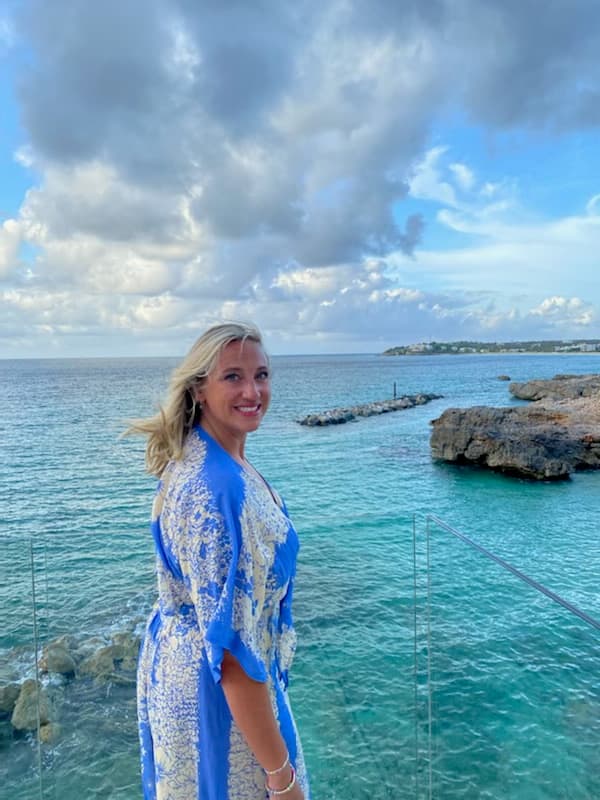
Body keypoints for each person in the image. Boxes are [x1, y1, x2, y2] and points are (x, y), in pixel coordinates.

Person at [127, 321, 309, 800]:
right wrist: (281, 777)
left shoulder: (199, 455)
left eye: (262, 375)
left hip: (177, 670)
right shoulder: (219, 487)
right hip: (217, 699)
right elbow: (229, 651)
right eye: (233, 376)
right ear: (199, 389)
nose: (253, 390)